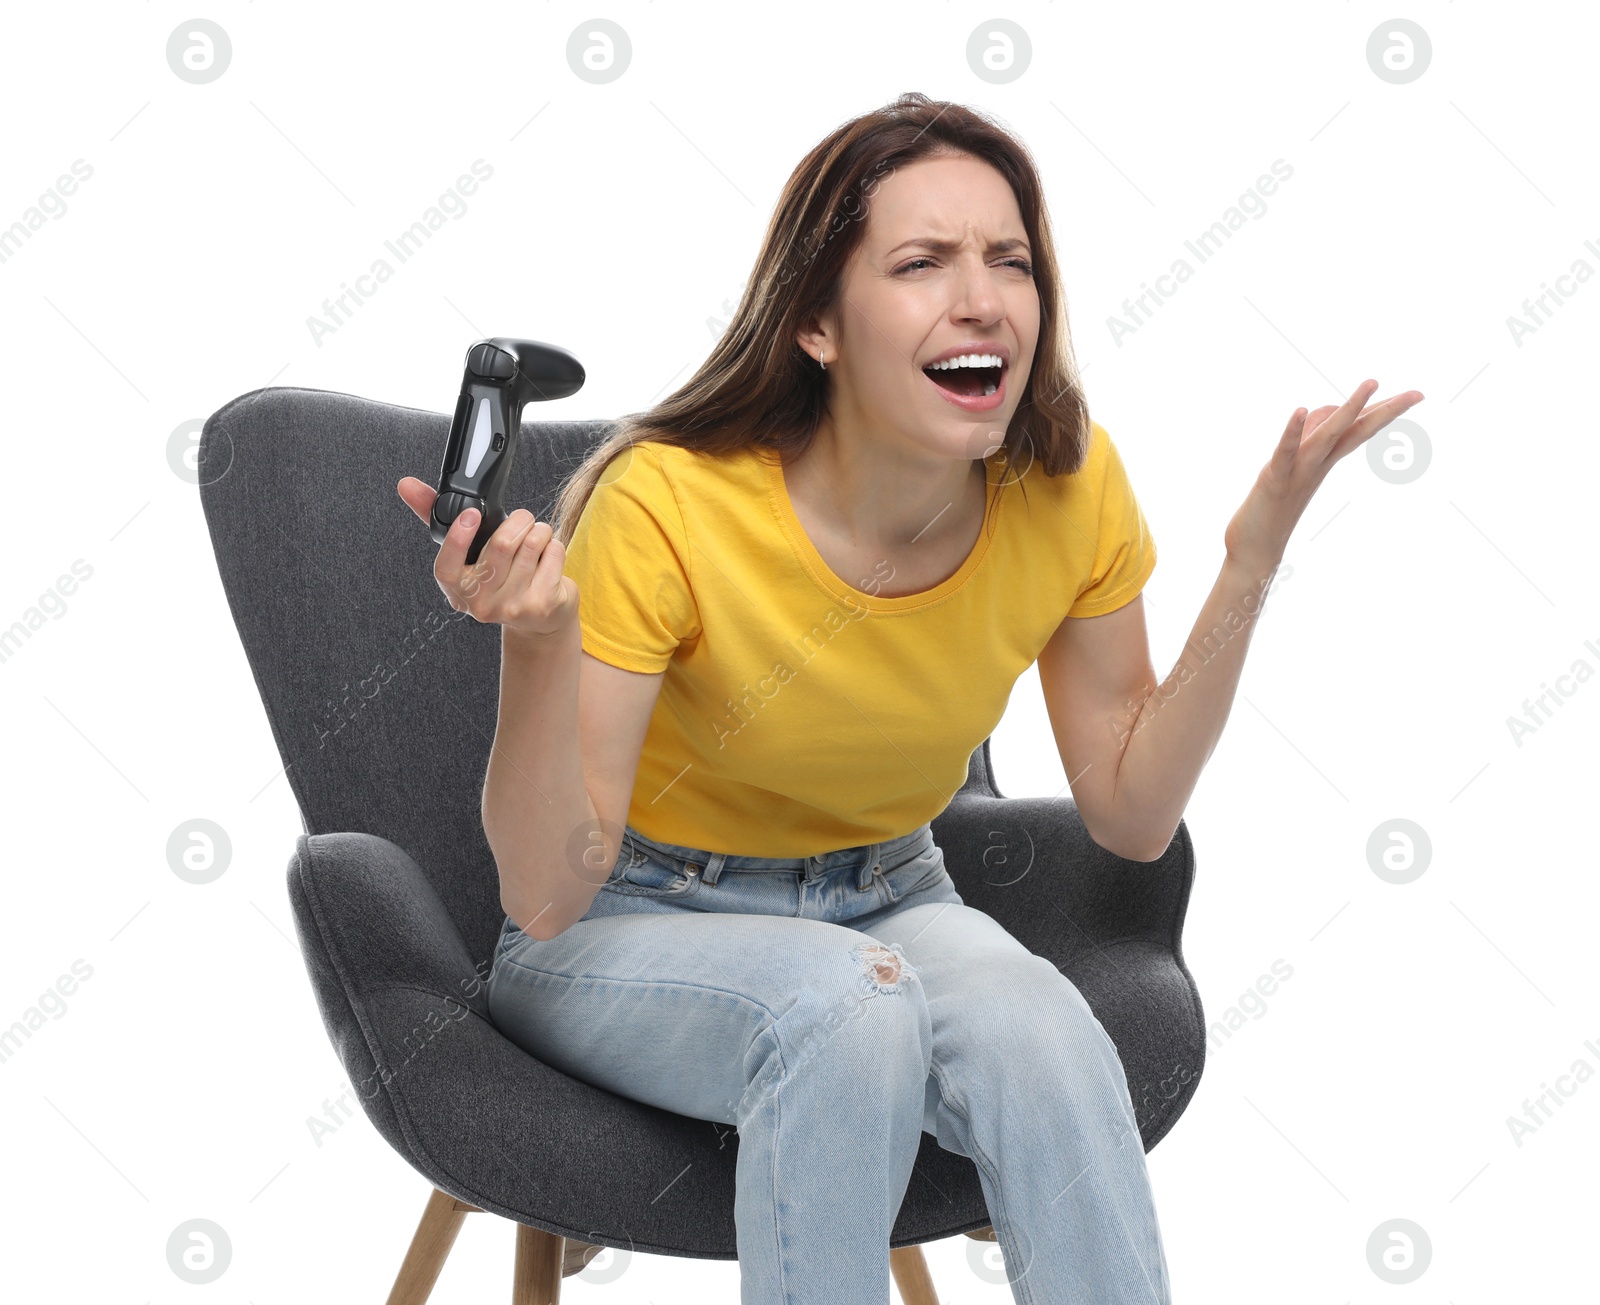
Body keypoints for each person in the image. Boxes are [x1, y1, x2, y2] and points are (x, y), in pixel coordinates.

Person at [397, 91, 1422, 1305]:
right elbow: (548, 891)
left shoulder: (1067, 486)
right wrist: (540, 641)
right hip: (626, 922)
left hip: (887, 892)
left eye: (1010, 262)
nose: (980, 297)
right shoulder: (668, 502)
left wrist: (1247, 567)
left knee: (1045, 1041)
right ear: (819, 326)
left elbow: (1132, 816)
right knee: (845, 1005)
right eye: (921, 262)